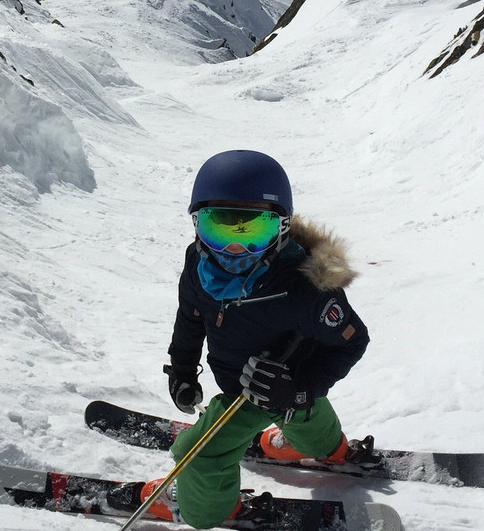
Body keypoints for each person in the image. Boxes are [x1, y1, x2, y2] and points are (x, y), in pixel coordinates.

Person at [141, 149, 370, 529]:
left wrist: (296, 389)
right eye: (219, 230)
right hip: (250, 381)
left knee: (198, 455)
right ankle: (329, 448)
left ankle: (207, 507)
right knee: (304, 415)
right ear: (196, 225)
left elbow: (351, 341)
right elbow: (191, 315)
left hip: (268, 388)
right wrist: (182, 367)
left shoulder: (306, 288)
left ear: (281, 228)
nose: (234, 250)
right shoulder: (197, 267)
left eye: (252, 232)